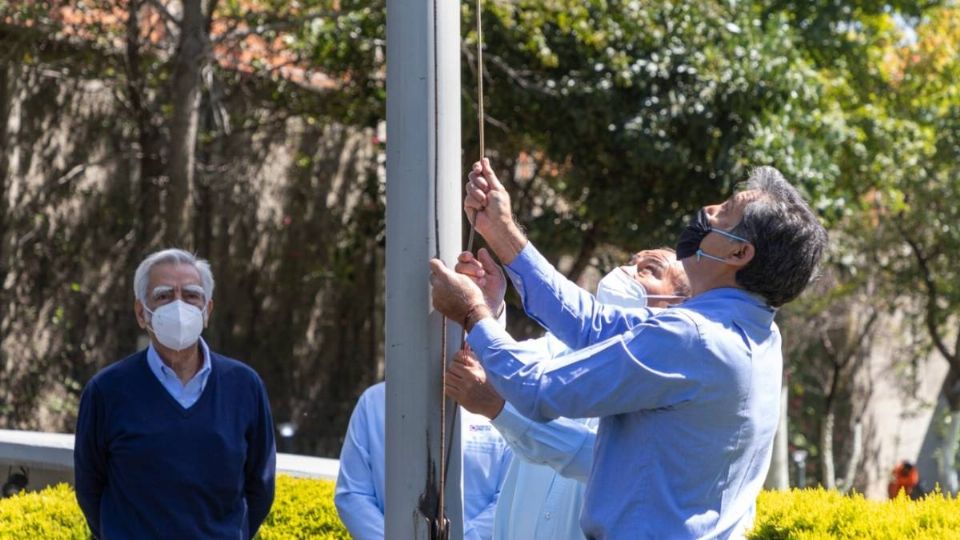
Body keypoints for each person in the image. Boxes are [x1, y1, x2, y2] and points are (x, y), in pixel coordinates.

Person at [429, 159, 827, 538]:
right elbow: (591, 323)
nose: (709, 209)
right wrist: (502, 232)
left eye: (725, 211)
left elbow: (539, 390)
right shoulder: (756, 335)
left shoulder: (693, 337)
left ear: (739, 253)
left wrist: (473, 314)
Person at [446, 249, 690, 540]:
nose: (626, 273)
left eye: (648, 269)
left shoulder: (667, 384)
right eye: (629, 263)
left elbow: (599, 459)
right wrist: (490, 307)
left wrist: (500, 410)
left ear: (679, 307)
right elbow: (506, 367)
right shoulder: (562, 347)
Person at [74, 249, 276, 540]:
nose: (179, 305)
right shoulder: (106, 391)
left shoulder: (244, 386)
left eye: (192, 295)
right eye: (164, 295)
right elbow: (90, 487)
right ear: (142, 313)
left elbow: (260, 486)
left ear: (207, 311)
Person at [335, 381, 513, 540]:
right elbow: (352, 493)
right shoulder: (375, 402)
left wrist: (463, 537)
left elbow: (509, 498)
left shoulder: (500, 407)